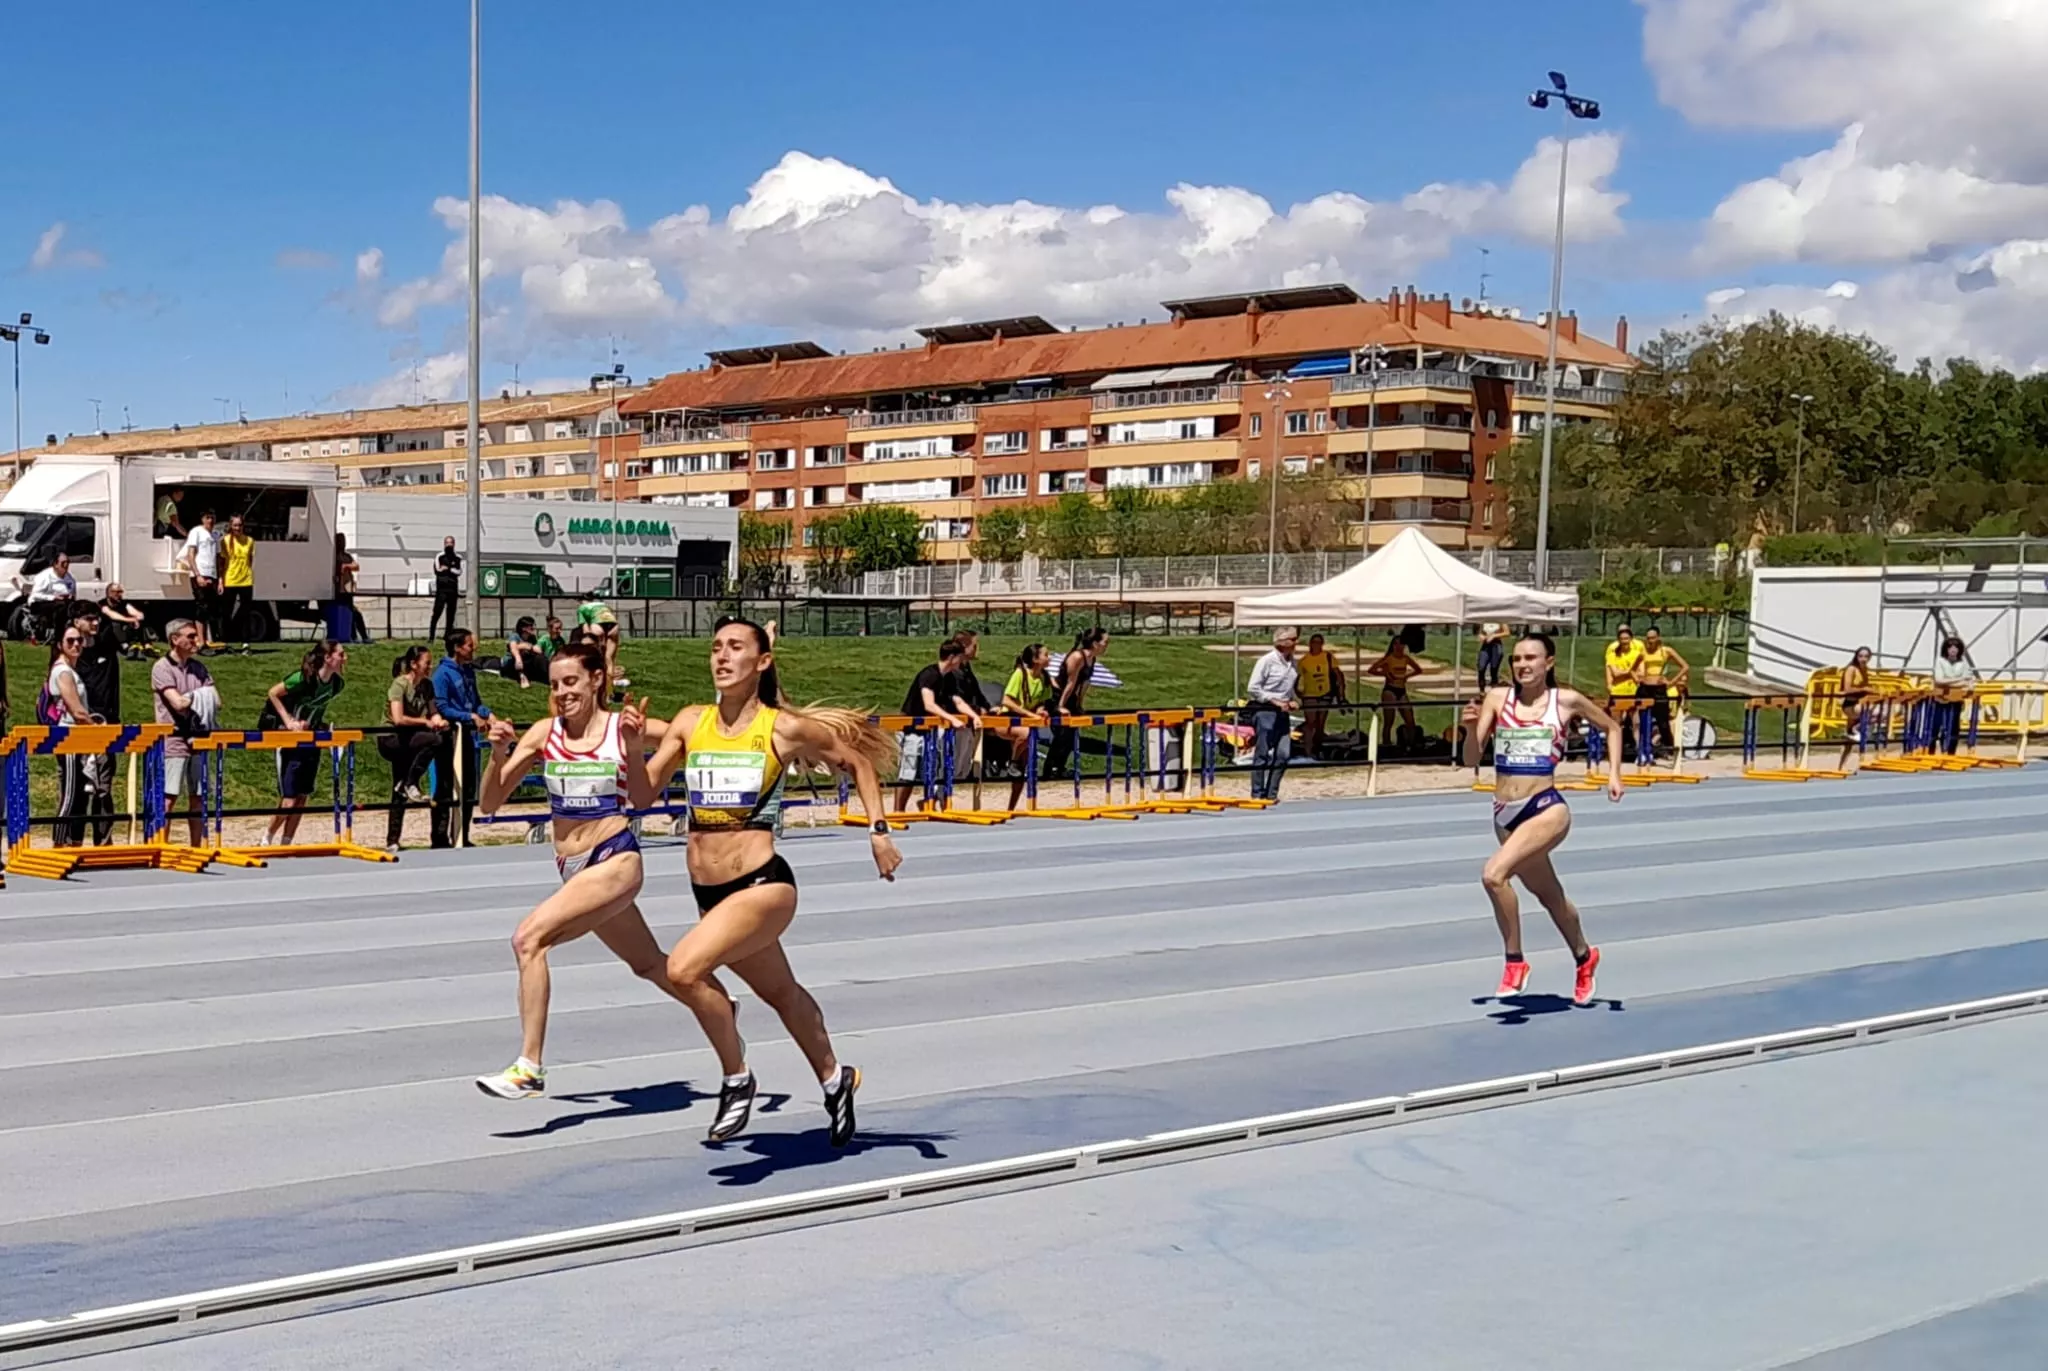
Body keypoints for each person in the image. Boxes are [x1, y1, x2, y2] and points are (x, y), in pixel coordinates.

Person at [635, 616, 903, 1145]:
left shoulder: (782, 728)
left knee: (682, 970)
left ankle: (737, 1079)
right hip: (709, 895)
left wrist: (878, 832)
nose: (722, 656)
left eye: (735, 647)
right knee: (781, 992)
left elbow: (858, 764)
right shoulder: (691, 722)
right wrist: (628, 746)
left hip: (764, 884)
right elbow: (642, 797)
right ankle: (835, 1078)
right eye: (715, 647)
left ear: (761, 662)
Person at [473, 642, 702, 1101]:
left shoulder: (623, 728)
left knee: (528, 940)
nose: (562, 692)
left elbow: (689, 733)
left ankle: (529, 1067)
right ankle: (721, 1008)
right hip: (572, 868)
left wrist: (746, 748)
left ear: (598, 680)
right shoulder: (544, 734)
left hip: (615, 858)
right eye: (555, 684)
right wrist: (498, 755)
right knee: (649, 964)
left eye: (571, 682)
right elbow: (489, 803)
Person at [1460, 632, 1623, 1007]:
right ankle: (1584, 956)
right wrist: (1470, 728)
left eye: (1531, 658)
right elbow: (1471, 760)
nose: (1522, 666)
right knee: (1551, 897)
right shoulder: (1497, 699)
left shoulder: (1565, 700)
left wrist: (1614, 774)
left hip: (1546, 808)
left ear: (1548, 663)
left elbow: (1612, 728)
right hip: (1505, 815)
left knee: (1493, 875)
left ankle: (1514, 961)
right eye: (1516, 659)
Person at [258, 639, 348, 846]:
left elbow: (317, 708)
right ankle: (267, 838)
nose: (345, 658)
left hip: (311, 740)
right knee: (288, 800)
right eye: (341, 654)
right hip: (290, 740)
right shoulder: (303, 678)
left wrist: (320, 725)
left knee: (302, 796)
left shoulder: (336, 684)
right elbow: (273, 693)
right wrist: (288, 720)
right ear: (327, 658)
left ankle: (287, 842)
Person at [382, 645, 452, 851]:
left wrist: (439, 720)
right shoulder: (399, 684)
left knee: (398, 787)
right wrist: (425, 722)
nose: (430, 666)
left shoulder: (427, 686)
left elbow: (433, 711)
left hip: (411, 738)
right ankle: (411, 781)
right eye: (427, 663)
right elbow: (398, 718)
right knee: (435, 740)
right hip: (391, 738)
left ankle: (392, 840)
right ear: (414, 664)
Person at [152, 618, 214, 845]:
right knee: (169, 797)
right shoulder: (162, 668)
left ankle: (197, 846)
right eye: (189, 636)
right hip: (174, 740)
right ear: (174, 639)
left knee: (198, 797)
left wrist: (194, 699)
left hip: (199, 739)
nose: (195, 640)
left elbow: (216, 700)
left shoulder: (199, 668)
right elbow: (176, 703)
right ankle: (162, 845)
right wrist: (199, 697)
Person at [893, 637, 974, 813]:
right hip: (911, 728)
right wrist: (951, 719)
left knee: (931, 769)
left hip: (929, 730)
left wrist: (974, 716)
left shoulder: (950, 677)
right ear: (952, 657)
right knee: (908, 772)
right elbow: (929, 704)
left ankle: (928, 804)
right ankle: (898, 811)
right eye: (960, 657)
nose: (962, 662)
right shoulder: (930, 674)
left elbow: (958, 700)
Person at [432, 628, 494, 845]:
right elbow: (442, 707)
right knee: (446, 786)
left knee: (468, 786)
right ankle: (439, 838)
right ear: (457, 648)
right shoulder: (442, 674)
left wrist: (488, 714)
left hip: (467, 736)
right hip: (449, 737)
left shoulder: (468, 671)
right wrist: (469, 716)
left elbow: (476, 701)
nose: (473, 648)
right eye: (469, 645)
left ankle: (462, 834)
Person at [71, 606, 122, 845]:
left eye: (97, 618)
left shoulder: (107, 646)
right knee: (78, 788)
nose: (95, 622)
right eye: (89, 619)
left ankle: (103, 842)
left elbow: (127, 630)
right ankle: (72, 840)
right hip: (78, 730)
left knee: (104, 788)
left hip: (107, 727)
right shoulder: (71, 658)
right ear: (76, 621)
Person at [44, 625, 94, 847]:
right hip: (69, 738)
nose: (76, 645)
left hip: (79, 737)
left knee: (81, 793)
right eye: (70, 641)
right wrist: (98, 728)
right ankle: (59, 842)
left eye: (79, 641)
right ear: (59, 645)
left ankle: (75, 841)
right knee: (70, 793)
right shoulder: (62, 671)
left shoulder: (71, 670)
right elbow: (77, 711)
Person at [1044, 627, 1108, 780]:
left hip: (1071, 699)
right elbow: (1069, 683)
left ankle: (1060, 767)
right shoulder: (1077, 657)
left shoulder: (1091, 658)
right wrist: (1060, 706)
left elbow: (1084, 684)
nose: (1107, 645)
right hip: (1059, 696)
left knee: (1071, 736)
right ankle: (1049, 768)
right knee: (1061, 735)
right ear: (1095, 643)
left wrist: (1079, 704)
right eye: (1105, 642)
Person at [1245, 627, 1300, 802]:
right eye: (1292, 639)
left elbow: (1292, 687)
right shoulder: (1266, 661)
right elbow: (1253, 688)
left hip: (1283, 712)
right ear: (1282, 642)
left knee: (1283, 754)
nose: (1295, 643)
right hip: (1265, 711)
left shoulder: (1294, 663)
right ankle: (1257, 793)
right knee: (1262, 752)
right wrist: (1273, 700)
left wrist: (1293, 700)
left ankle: (1272, 792)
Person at [996, 643, 1053, 806]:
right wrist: (1030, 714)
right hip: (1006, 719)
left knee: (1023, 767)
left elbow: (1042, 701)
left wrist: (1041, 711)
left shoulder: (1043, 677)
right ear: (1035, 659)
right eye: (1046, 655)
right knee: (1026, 734)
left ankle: (1011, 808)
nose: (1049, 658)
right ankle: (1011, 762)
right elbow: (1007, 700)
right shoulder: (1020, 674)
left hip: (1026, 721)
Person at [1637, 628, 1691, 757]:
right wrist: (1639, 679)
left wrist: (1672, 682)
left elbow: (1685, 666)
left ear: (1658, 637)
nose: (1651, 641)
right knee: (1642, 720)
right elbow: (1632, 668)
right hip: (1646, 687)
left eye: (1653, 638)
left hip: (1659, 687)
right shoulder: (1643, 652)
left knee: (1663, 721)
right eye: (1648, 638)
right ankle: (1643, 748)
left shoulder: (1665, 651)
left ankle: (1670, 749)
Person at [1295, 632, 1345, 759]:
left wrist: (1341, 693)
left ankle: (1318, 749)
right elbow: (1297, 677)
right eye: (1314, 642)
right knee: (1310, 723)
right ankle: (1307, 750)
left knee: (1320, 723)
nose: (1316, 645)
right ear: (1310, 644)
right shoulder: (1304, 661)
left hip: (1325, 693)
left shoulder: (1328, 657)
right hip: (1309, 695)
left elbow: (1338, 674)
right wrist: (1297, 691)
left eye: (1319, 642)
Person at [1364, 634, 1423, 737]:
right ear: (1393, 645)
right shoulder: (1389, 658)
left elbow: (1418, 670)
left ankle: (1410, 742)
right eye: (1396, 644)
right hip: (1390, 690)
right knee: (1389, 721)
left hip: (1402, 690)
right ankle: (1387, 744)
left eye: (1401, 644)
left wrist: (1407, 676)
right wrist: (1385, 674)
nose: (1399, 646)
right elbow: (1371, 670)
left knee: (1410, 720)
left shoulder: (1406, 658)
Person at [180, 511, 222, 646]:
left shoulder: (215, 535)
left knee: (211, 607)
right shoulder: (196, 532)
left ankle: (209, 638)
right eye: (207, 518)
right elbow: (190, 555)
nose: (210, 520)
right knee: (201, 606)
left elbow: (217, 558)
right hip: (200, 573)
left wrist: (220, 579)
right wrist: (197, 575)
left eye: (212, 518)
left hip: (213, 574)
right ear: (202, 519)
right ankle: (200, 641)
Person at [23, 551, 78, 643]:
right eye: (63, 563)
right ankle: (58, 637)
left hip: (63, 601)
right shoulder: (44, 576)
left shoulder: (69, 578)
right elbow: (35, 594)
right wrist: (53, 597)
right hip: (40, 603)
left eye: (68, 562)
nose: (66, 565)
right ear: (55, 564)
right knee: (60, 608)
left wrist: (70, 596)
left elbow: (73, 592)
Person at [1835, 646, 1874, 772]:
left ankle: (1840, 766)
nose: (1863, 659)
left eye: (1866, 657)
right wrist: (1863, 690)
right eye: (1861, 656)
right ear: (1856, 656)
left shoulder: (1864, 670)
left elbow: (1866, 687)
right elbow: (1847, 689)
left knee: (1849, 741)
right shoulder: (1851, 669)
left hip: (1859, 703)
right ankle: (1855, 729)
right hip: (1849, 704)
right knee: (1872, 711)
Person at [1931, 636, 1972, 754]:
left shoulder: (1963, 663)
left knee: (1954, 726)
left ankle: (1950, 752)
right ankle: (1931, 751)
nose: (1953, 650)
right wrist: (1959, 680)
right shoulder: (1940, 661)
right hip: (1940, 698)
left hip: (1956, 699)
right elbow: (1939, 680)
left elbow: (1968, 681)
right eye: (1951, 647)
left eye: (1956, 648)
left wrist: (1952, 682)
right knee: (1936, 726)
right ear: (1946, 649)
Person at [220, 514, 256, 641]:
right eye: (235, 525)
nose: (238, 528)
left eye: (240, 525)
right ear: (231, 526)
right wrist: (220, 580)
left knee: (246, 610)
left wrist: (247, 572)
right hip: (230, 579)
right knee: (226, 611)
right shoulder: (225, 540)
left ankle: (245, 642)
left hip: (246, 580)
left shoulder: (249, 541)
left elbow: (250, 560)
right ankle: (226, 639)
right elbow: (222, 561)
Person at [334, 535, 369, 644]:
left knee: (354, 613)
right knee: (350, 613)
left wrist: (346, 566)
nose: (343, 544)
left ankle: (362, 636)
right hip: (338, 591)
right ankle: (353, 636)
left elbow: (356, 566)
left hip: (348, 590)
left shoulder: (347, 556)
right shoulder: (333, 556)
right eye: (340, 541)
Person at [99, 582, 149, 655]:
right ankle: (124, 646)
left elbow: (139, 615)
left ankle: (146, 645)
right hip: (106, 633)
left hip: (122, 631)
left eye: (121, 591)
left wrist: (137, 618)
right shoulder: (102, 604)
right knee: (115, 623)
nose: (120, 594)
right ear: (109, 593)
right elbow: (113, 616)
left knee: (140, 621)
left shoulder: (123, 603)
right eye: (118, 592)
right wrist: (132, 620)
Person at [429, 537, 463, 642]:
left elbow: (459, 571)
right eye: (447, 543)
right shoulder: (439, 556)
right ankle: (431, 637)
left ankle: (447, 635)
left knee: (451, 614)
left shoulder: (457, 557)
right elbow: (437, 570)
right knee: (437, 613)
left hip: (452, 589)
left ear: (454, 544)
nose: (449, 545)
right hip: (442, 589)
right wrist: (444, 569)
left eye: (451, 543)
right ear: (444, 544)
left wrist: (449, 569)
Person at [503, 616, 548, 688]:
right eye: (531, 626)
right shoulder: (515, 636)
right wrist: (518, 656)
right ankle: (522, 677)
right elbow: (513, 648)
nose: (534, 628)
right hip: (512, 661)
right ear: (523, 628)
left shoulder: (532, 638)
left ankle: (547, 676)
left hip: (526, 660)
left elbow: (538, 650)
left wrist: (528, 646)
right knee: (518, 659)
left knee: (539, 658)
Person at [1477, 623, 1507, 692]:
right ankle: (1482, 692)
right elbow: (1480, 632)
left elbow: (1507, 632)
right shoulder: (1485, 619)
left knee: (1494, 670)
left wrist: (1494, 636)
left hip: (1496, 645)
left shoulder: (1500, 620)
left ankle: (1494, 691)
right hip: (1486, 645)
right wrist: (1481, 635)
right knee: (1481, 668)